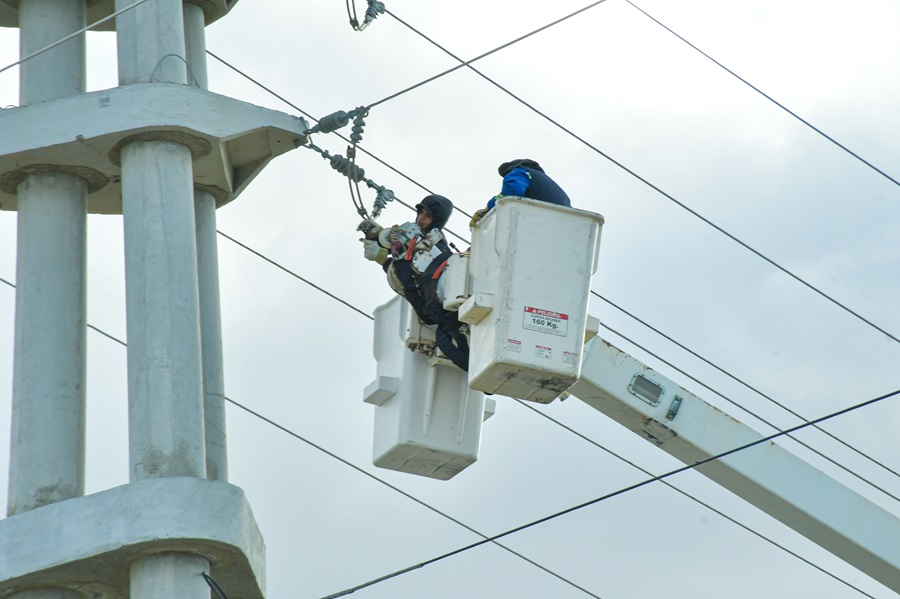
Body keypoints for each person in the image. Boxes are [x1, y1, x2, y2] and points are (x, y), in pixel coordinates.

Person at [361, 194, 470, 371]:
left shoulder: (437, 249)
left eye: (427, 216)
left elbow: (412, 278)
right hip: (429, 310)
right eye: (420, 213)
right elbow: (403, 264)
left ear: (437, 220)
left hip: (439, 312)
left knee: (454, 346)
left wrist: (382, 259)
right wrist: (379, 237)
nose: (421, 218)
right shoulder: (414, 239)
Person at [470, 158, 570, 226]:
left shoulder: (520, 171)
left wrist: (487, 210)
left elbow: (513, 191)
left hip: (540, 226)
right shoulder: (550, 186)